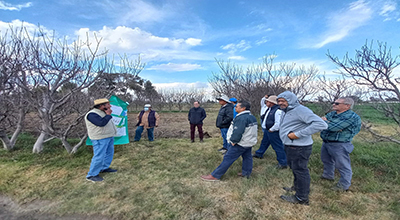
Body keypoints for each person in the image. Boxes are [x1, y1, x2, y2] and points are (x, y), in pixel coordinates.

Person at [277, 91, 328, 205]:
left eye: (283, 101)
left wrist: (297, 134)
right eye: (279, 101)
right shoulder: (286, 111)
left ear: (291, 100)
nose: (280, 103)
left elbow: (321, 124)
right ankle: (297, 187)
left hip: (299, 147)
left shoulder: (300, 110)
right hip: (291, 145)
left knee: (300, 171)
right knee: (295, 169)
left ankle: (302, 198)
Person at [201, 101, 258, 181]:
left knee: (228, 158)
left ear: (243, 108)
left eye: (237, 106)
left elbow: (238, 131)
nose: (235, 108)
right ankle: (246, 173)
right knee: (247, 157)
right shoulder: (251, 116)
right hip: (249, 142)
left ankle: (215, 175)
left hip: (240, 143)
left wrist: (234, 141)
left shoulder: (241, 118)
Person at [320, 97, 361, 191]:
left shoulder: (351, 116)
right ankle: (328, 176)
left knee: (342, 165)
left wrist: (326, 122)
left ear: (347, 106)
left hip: (340, 144)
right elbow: (320, 122)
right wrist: (327, 122)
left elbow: (332, 127)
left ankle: (344, 185)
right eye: (334, 102)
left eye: (337, 103)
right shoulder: (333, 114)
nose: (334, 104)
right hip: (327, 142)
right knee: (326, 160)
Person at [85, 98, 117, 182]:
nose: (110, 106)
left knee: (109, 153)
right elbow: (101, 123)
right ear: (101, 106)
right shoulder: (92, 114)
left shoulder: (103, 112)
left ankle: (104, 168)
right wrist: (108, 115)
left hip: (108, 136)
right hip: (99, 138)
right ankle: (92, 175)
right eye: (108, 104)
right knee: (99, 156)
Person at [253, 95, 288, 169]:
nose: (266, 102)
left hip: (273, 132)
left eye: (267, 101)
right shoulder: (270, 109)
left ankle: (283, 163)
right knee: (264, 143)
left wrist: (271, 129)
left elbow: (278, 123)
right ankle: (259, 154)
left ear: (272, 102)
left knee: (277, 146)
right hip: (268, 130)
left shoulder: (278, 111)